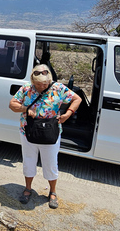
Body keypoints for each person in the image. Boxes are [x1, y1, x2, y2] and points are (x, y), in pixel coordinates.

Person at [9, 64, 81, 209]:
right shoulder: (26, 88)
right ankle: (28, 189)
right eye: (38, 84)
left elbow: (77, 99)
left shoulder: (59, 88)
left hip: (51, 133)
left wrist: (68, 114)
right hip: (28, 131)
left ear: (49, 80)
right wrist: (26, 108)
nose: (41, 86)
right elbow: (12, 104)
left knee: (50, 163)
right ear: (32, 80)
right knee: (29, 161)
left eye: (44, 83)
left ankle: (53, 192)